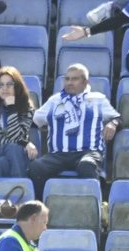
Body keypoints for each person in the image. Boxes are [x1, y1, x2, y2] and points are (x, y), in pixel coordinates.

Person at [29, 62, 118, 192]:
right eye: (67, 79)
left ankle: (93, 206)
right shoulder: (55, 100)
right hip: (58, 155)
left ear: (85, 82)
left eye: (74, 79)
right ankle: (40, 206)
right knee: (36, 167)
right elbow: (34, 121)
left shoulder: (98, 99)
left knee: (86, 165)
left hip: (88, 152)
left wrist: (113, 123)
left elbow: (118, 118)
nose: (69, 82)